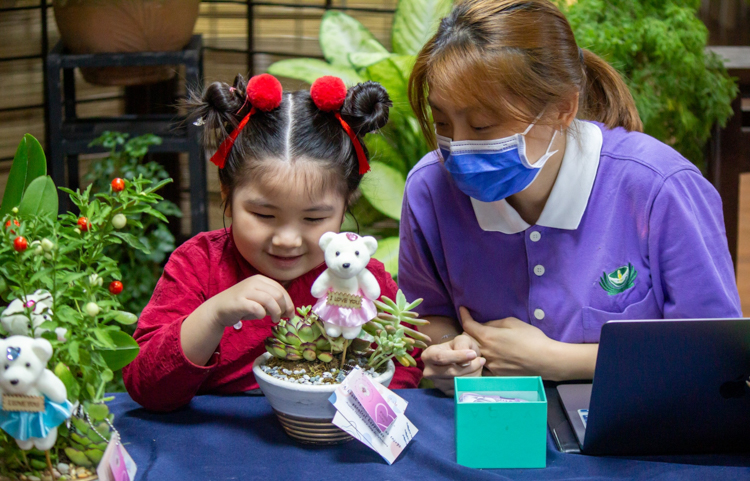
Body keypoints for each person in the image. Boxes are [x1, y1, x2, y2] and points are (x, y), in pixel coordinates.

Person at [399, 0, 741, 395]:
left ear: (563, 108)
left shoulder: (660, 187)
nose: (457, 146)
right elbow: (426, 316)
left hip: (633, 436)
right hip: (486, 424)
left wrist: (555, 361)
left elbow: (714, 355)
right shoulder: (430, 188)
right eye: (442, 122)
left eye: (482, 125)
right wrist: (448, 352)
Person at [123, 74, 422, 411]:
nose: (287, 240)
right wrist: (213, 315)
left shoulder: (360, 277)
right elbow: (144, 384)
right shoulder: (198, 266)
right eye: (264, 215)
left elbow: (405, 368)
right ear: (227, 192)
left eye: (312, 219)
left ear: (347, 202)